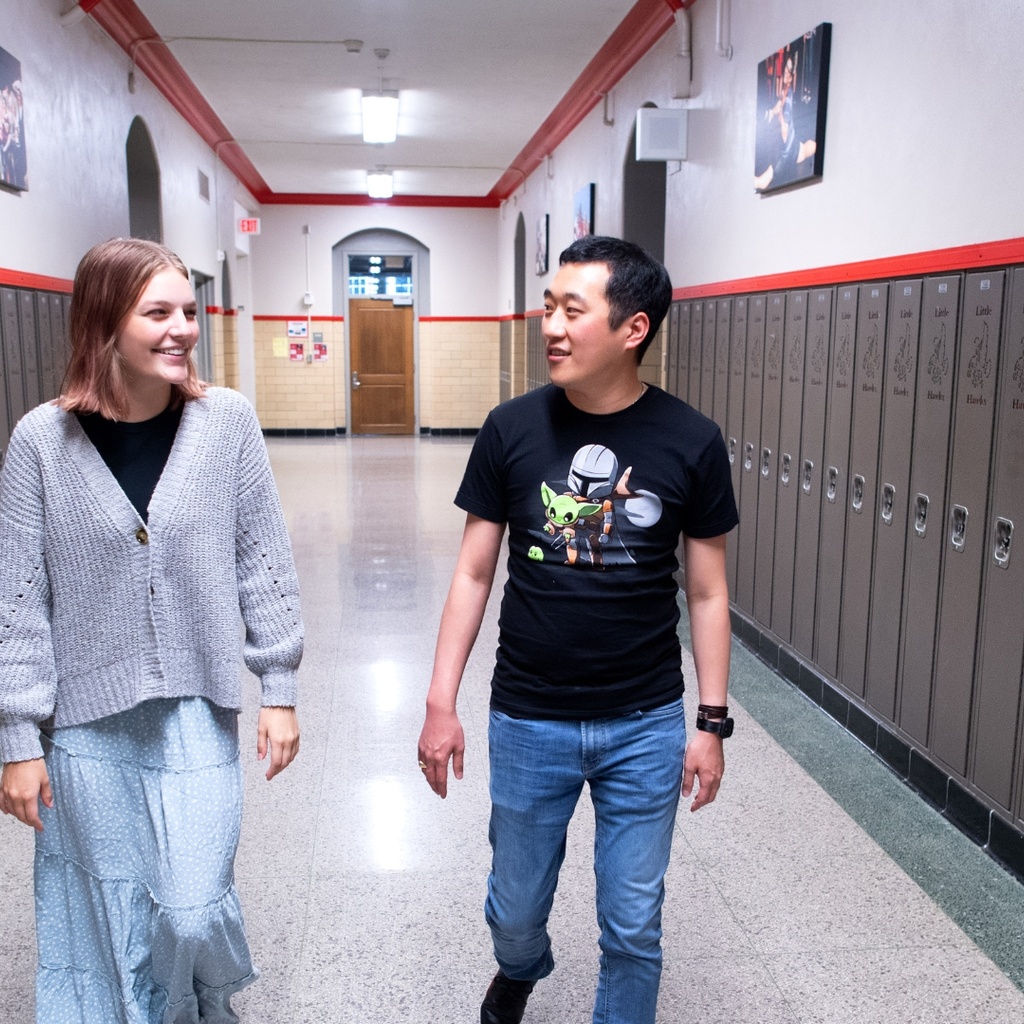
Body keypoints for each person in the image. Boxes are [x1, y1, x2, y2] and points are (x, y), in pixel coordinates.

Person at [417, 236, 738, 1024]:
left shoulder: (690, 440)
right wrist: (439, 702)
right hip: (530, 715)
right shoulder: (511, 428)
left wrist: (712, 722)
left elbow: (705, 591)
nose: (550, 325)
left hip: (646, 720)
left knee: (633, 925)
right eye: (548, 307)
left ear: (633, 329)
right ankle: (520, 968)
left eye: (572, 310)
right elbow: (472, 573)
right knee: (514, 911)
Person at [0, 237, 303, 1024]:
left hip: (195, 710)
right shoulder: (40, 441)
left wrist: (279, 687)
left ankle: (194, 999)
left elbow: (262, 559)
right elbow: (18, 601)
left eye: (189, 312)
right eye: (157, 312)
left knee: (192, 904)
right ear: (104, 322)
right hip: (85, 724)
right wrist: (18, 740)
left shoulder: (226, 422)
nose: (182, 329)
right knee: (106, 905)